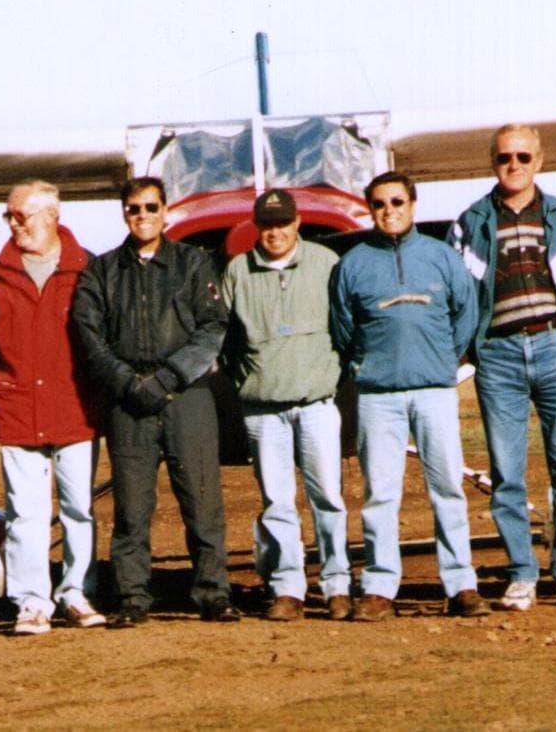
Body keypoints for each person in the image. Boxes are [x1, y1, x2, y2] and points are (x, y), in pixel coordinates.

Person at [72, 176, 239, 625]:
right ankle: (131, 597)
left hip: (188, 396)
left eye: (150, 207)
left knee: (203, 500)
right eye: (134, 208)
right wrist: (128, 384)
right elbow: (90, 338)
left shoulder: (193, 264)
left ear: (166, 211)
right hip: (130, 403)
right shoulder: (102, 271)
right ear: (124, 213)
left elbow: (213, 328)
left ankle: (212, 592)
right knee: (131, 506)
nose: (142, 215)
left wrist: (169, 377)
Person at [448, 124, 556, 611]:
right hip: (498, 356)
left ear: (539, 160)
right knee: (507, 473)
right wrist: (474, 346)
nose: (513, 165)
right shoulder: (471, 222)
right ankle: (520, 573)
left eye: (522, 156)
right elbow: (458, 290)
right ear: (491, 161)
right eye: (503, 157)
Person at [329, 171, 480, 620]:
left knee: (448, 487)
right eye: (379, 204)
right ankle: (379, 586)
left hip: (435, 390)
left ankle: (461, 583)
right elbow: (343, 327)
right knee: (380, 493)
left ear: (412, 204)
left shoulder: (442, 257)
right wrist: (366, 364)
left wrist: (441, 360)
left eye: (397, 202)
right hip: (378, 395)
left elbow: (465, 314)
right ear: (369, 208)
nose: (389, 211)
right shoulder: (352, 263)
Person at [0, 180, 107, 636]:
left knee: (78, 508)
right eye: (8, 216)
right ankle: (31, 601)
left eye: (20, 216)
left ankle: (75, 592)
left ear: (51, 215)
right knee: (24, 512)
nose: (13, 224)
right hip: (18, 408)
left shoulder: (88, 269)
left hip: (75, 406)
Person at [221, 188, 352, 621]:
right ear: (256, 227)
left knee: (327, 496)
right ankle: (287, 586)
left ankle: (337, 584)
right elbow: (224, 339)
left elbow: (346, 324)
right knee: (277, 501)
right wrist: (246, 379)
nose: (275, 232)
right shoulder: (238, 271)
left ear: (297, 223)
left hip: (315, 402)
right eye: (267, 224)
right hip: (262, 409)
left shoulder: (325, 263)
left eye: (283, 223)